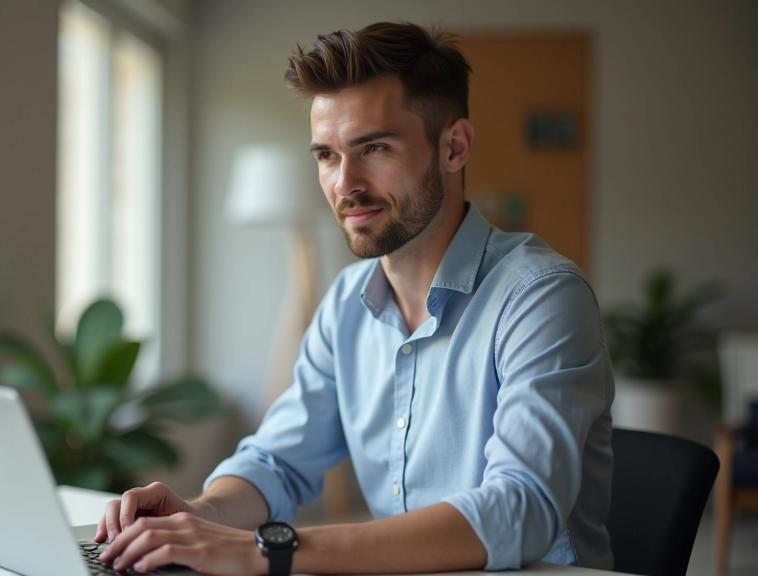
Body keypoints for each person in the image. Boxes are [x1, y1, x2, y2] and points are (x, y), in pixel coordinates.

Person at [95, 21, 613, 575]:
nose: (345, 184)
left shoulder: (541, 297)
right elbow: (277, 461)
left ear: (454, 147)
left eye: (374, 148)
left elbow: (521, 509)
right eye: (326, 156)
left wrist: (267, 550)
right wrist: (199, 515)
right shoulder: (345, 304)